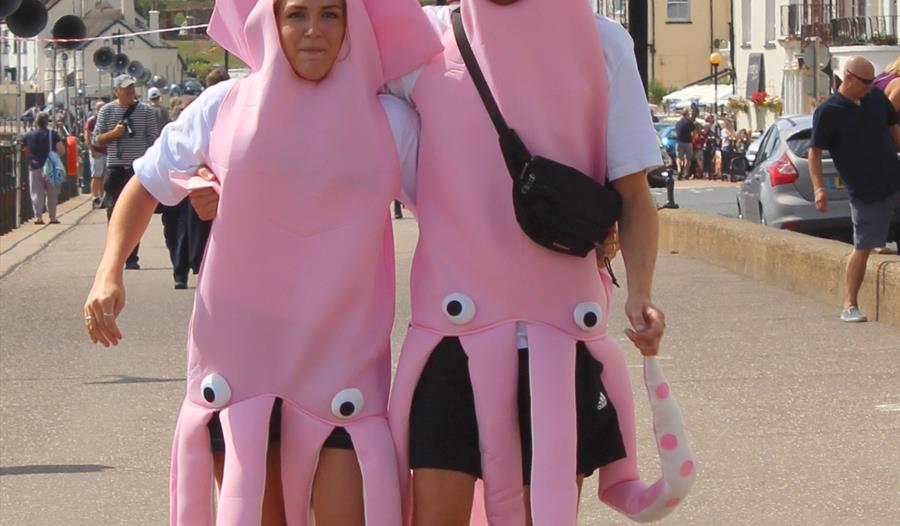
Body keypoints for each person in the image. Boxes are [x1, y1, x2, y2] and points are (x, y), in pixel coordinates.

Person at [84, 1, 440, 524]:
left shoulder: (392, 123)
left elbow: (458, 214)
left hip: (341, 364)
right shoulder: (222, 105)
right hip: (239, 360)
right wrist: (108, 271)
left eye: (330, 14)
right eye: (296, 14)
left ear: (353, 24)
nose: (313, 30)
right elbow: (144, 184)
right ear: (270, 22)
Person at [385, 2, 692, 525]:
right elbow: (332, 70)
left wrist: (641, 292)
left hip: (560, 336)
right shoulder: (425, 38)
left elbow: (634, 191)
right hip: (452, 335)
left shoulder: (603, 43)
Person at [809, 56, 900, 323]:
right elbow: (815, 153)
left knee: (876, 241)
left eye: (872, 81)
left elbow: (893, 128)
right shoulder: (829, 111)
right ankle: (850, 304)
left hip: (894, 175)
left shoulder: (875, 98)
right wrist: (818, 188)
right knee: (863, 246)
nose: (871, 86)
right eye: (866, 82)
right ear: (848, 77)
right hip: (865, 186)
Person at [92, 74, 159, 270]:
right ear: (117, 91)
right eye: (126, 88)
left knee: (135, 214)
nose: (130, 91)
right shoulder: (107, 111)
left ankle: (131, 257)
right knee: (114, 213)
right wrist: (114, 134)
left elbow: (153, 140)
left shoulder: (146, 111)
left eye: (132, 87)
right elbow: (96, 139)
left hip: (137, 170)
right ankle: (115, 255)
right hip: (115, 168)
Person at [22, 113, 65, 224]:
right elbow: (61, 150)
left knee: (36, 191)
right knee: (52, 192)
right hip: (50, 167)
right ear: (47, 122)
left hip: (34, 166)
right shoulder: (53, 135)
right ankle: (52, 217)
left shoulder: (28, 135)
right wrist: (55, 156)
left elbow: (25, 150)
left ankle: (38, 217)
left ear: (36, 122)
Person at [84, 101, 108, 209]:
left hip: (106, 151)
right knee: (96, 176)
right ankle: (95, 197)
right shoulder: (91, 121)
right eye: (100, 108)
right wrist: (92, 150)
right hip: (97, 151)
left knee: (103, 176)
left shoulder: (106, 119)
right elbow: (87, 136)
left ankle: (102, 197)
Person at [674, 109, 694, 179]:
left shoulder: (678, 123)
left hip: (679, 141)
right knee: (688, 158)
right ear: (687, 114)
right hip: (688, 142)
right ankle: (686, 173)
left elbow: (676, 132)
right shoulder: (689, 122)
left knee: (679, 157)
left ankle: (679, 170)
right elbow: (693, 132)